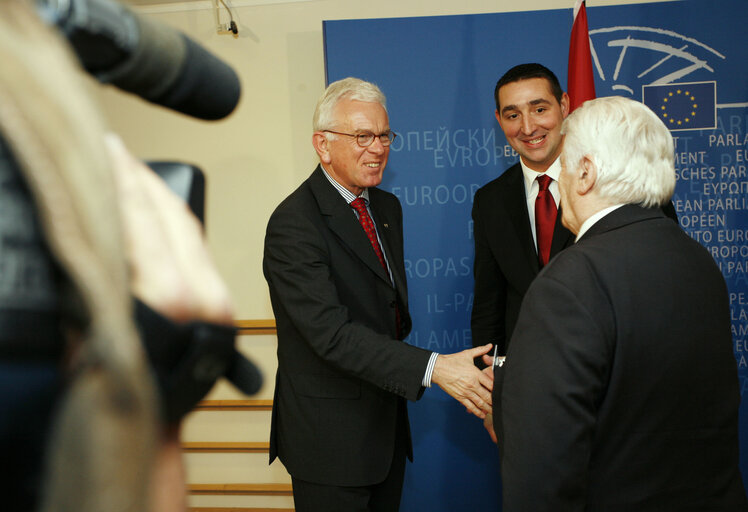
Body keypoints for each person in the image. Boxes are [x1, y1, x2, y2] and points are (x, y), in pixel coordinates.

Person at [492, 96, 748, 511]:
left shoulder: (569, 281)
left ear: (586, 173)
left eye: (565, 167)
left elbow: (541, 472)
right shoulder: (696, 258)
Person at [263, 77, 494, 512]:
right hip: (329, 442)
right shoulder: (294, 224)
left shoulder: (385, 207)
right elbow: (330, 335)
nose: (378, 147)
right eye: (362, 136)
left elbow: (387, 312)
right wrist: (434, 367)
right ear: (323, 144)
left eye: (384, 135)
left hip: (384, 426)